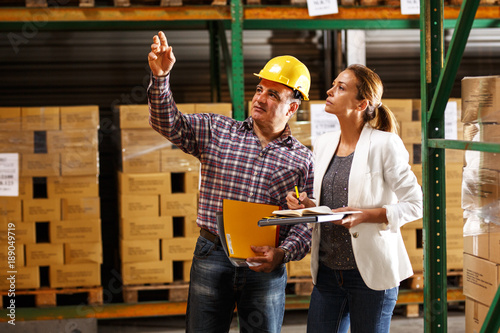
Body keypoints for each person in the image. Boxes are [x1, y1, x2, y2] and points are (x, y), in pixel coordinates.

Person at [147, 31, 314, 333]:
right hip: (213, 255)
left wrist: (283, 253)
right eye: (260, 89)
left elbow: (307, 220)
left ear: (292, 107)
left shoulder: (302, 159)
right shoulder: (217, 130)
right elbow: (167, 122)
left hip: (265, 262)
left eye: (273, 94)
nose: (260, 98)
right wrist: (161, 78)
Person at [286, 64, 423, 333]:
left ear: (362, 104)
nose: (329, 90)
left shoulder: (385, 144)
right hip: (327, 272)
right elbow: (330, 203)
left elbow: (416, 203)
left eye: (340, 87)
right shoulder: (324, 142)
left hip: (370, 275)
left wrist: (367, 215)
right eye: (334, 84)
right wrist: (309, 206)